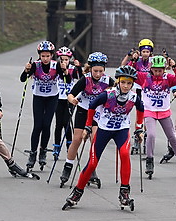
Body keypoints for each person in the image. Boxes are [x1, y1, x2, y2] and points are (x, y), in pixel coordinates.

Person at [62, 65, 144, 210]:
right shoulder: (107, 94)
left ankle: (124, 193)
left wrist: (138, 129)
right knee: (93, 163)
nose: (126, 86)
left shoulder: (133, 96)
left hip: (121, 130)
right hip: (104, 130)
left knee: (125, 154)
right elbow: (92, 106)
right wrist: (88, 126)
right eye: (123, 82)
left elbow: (141, 109)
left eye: (129, 83)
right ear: (118, 81)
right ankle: (77, 192)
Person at [59, 52, 115, 187]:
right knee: (77, 139)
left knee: (95, 140)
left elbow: (116, 92)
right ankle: (68, 166)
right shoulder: (85, 79)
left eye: (101, 71)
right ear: (90, 69)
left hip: (97, 113)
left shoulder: (107, 80)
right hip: (83, 110)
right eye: (95, 71)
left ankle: (92, 168)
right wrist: (72, 99)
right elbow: (71, 94)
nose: (97, 74)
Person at [135, 55, 176, 178]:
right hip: (149, 111)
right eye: (155, 70)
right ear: (151, 69)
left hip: (164, 112)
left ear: (164, 69)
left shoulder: (168, 78)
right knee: (151, 135)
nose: (158, 73)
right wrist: (133, 61)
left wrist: (175, 67)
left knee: (172, 137)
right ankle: (149, 161)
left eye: (160, 70)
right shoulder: (144, 77)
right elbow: (129, 73)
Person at [20, 41, 58, 171]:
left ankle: (43, 152)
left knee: (46, 125)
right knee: (37, 126)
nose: (45, 59)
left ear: (52, 55)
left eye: (48, 56)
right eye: (43, 56)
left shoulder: (56, 65)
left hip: (52, 97)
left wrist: (64, 70)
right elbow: (22, 79)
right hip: (39, 98)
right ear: (39, 56)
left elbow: (68, 79)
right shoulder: (35, 66)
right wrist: (26, 70)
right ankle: (33, 153)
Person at [121, 38, 154, 155]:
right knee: (139, 114)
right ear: (140, 52)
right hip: (138, 89)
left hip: (149, 90)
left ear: (151, 52)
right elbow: (124, 67)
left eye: (147, 51)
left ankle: (145, 138)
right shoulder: (137, 61)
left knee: (146, 115)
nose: (145, 54)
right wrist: (132, 59)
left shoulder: (152, 61)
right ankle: (137, 137)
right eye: (143, 51)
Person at [52, 46, 82, 160]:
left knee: (67, 123)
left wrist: (78, 67)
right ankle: (56, 146)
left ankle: (70, 146)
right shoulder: (56, 68)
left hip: (69, 99)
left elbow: (80, 78)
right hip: (58, 98)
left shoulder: (72, 69)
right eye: (62, 59)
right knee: (59, 123)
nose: (64, 62)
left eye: (66, 59)